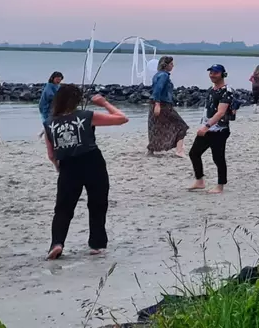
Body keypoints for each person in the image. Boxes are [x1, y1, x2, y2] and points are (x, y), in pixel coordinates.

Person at [44, 85, 128, 260]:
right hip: (92, 162)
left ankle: (57, 243)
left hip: (67, 166)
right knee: (97, 203)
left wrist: (59, 168)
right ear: (77, 101)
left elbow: (51, 154)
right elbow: (122, 118)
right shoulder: (86, 116)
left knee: (63, 208)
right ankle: (96, 244)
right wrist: (104, 103)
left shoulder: (49, 123)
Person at [189, 64, 233, 194]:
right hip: (207, 128)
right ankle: (199, 181)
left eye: (215, 73)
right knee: (194, 153)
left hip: (219, 130)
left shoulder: (227, 91)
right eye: (211, 72)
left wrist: (207, 126)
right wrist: (204, 125)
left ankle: (220, 186)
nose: (212, 75)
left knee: (218, 158)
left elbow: (220, 112)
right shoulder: (211, 89)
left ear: (222, 74)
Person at [148, 56, 189, 156]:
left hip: (156, 103)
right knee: (181, 126)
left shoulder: (157, 75)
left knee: (156, 127)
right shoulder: (164, 76)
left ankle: (151, 150)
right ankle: (179, 151)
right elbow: (158, 89)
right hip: (163, 105)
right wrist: (157, 104)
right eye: (171, 64)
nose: (173, 66)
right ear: (165, 65)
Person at [38, 72, 63, 138]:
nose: (58, 81)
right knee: (48, 122)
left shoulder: (58, 86)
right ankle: (42, 134)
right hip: (46, 107)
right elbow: (50, 96)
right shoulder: (49, 85)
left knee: (53, 122)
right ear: (53, 78)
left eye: (60, 79)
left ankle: (42, 134)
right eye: (57, 79)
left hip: (54, 107)